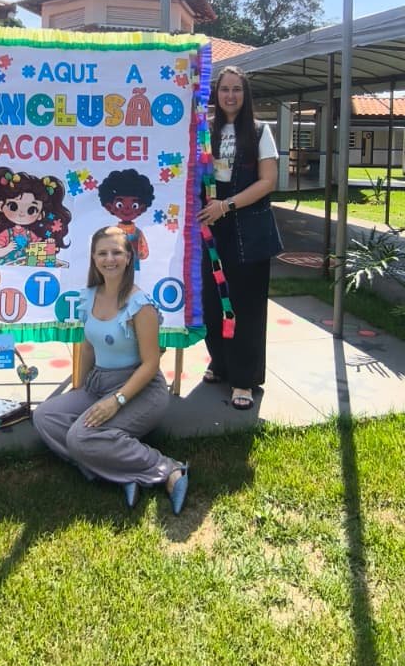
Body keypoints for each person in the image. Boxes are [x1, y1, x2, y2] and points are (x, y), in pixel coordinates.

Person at [33, 225, 189, 513]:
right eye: (102, 253)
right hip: (98, 384)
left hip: (140, 389)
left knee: (79, 437)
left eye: (116, 252)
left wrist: (116, 401)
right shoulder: (89, 296)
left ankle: (168, 468)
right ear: (93, 258)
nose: (109, 259)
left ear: (129, 257)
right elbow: (88, 349)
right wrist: (78, 391)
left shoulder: (140, 305)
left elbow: (151, 363)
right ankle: (114, 470)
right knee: (45, 417)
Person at [197, 65, 281, 411]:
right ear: (216, 94)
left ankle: (244, 379)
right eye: (224, 89)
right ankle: (220, 362)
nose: (230, 95)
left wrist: (226, 205)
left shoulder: (260, 131)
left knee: (246, 307)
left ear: (246, 95)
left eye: (237, 89)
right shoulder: (204, 131)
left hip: (249, 231)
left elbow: (268, 181)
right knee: (213, 303)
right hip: (211, 230)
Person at [0, 168, 71, 265]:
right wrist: (7, 248)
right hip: (7, 267)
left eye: (31, 210)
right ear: (1, 206)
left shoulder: (30, 235)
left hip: (26, 266)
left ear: (40, 215)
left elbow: (38, 249)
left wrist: (49, 245)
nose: (21, 213)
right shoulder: (7, 233)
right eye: (13, 206)